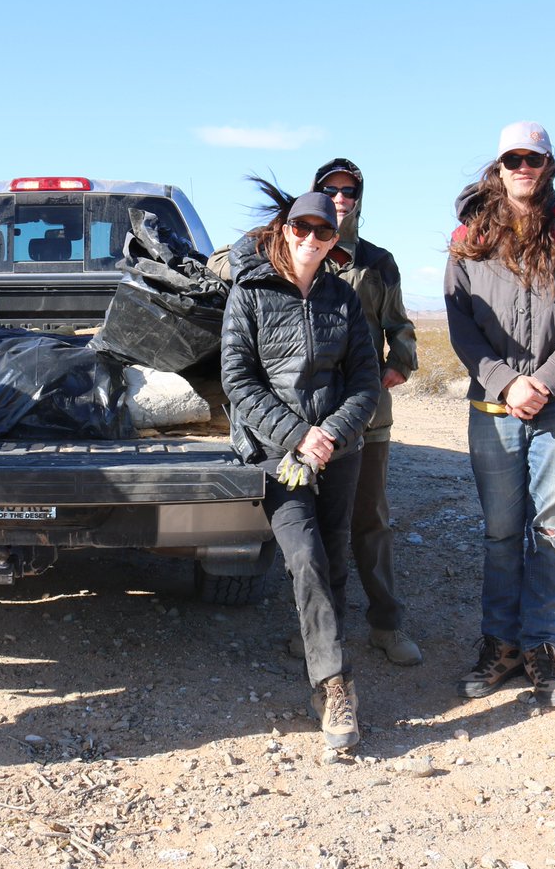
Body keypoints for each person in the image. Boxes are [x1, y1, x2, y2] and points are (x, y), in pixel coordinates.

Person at [445, 122, 555, 708]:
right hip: (493, 406)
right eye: (512, 158)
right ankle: (501, 646)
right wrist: (505, 382)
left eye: (533, 158)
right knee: (499, 532)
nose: (523, 167)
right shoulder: (468, 237)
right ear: (498, 166)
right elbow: (461, 324)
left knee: (552, 531)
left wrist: (541, 382)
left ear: (548, 165)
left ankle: (541, 645)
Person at [222, 183, 379, 749]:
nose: (311, 238)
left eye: (323, 231)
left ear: (335, 239)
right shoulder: (251, 293)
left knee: (335, 552)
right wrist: (297, 437)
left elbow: (365, 380)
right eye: (301, 228)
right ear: (284, 232)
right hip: (277, 451)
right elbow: (238, 380)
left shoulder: (344, 298)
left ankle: (320, 644)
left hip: (339, 449)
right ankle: (334, 685)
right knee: (305, 554)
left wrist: (331, 433)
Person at [311, 158, 421, 667]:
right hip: (306, 423)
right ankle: (322, 636)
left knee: (369, 523)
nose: (339, 196)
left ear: (358, 198)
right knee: (315, 529)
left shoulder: (377, 262)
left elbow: (401, 331)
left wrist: (396, 366)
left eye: (348, 190)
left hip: (367, 421)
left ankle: (386, 625)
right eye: (329, 189)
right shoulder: (296, 254)